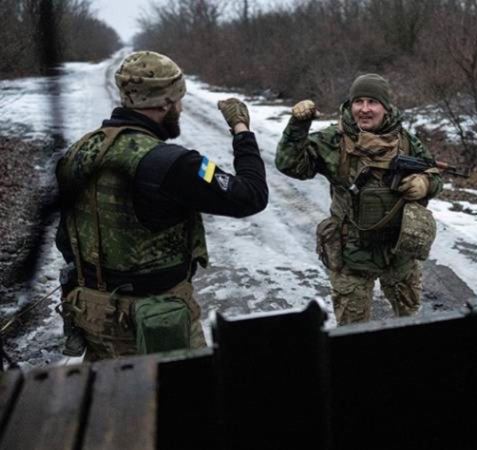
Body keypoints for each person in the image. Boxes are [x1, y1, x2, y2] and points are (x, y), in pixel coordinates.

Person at [55, 50, 268, 360]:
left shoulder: (78, 152)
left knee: (112, 402)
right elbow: (250, 196)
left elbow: (66, 237)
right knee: (180, 403)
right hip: (155, 324)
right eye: (178, 100)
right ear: (166, 103)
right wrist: (242, 131)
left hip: (94, 318)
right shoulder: (174, 164)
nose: (180, 108)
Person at [276, 74, 442, 325]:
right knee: (352, 335)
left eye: (372, 102)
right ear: (350, 105)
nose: (364, 109)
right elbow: (289, 165)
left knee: (410, 323)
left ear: (386, 108)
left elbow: (433, 174)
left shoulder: (405, 141)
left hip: (398, 253)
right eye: (359, 102)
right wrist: (297, 127)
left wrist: (425, 184)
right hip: (351, 255)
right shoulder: (334, 140)